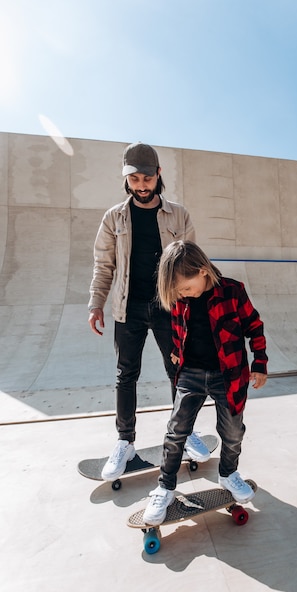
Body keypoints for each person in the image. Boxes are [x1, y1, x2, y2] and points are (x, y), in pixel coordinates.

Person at [88, 143, 210, 481]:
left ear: (159, 176)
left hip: (168, 307)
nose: (141, 186)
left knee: (180, 374)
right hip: (127, 308)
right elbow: (104, 264)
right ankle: (125, 442)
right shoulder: (114, 217)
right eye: (134, 180)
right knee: (126, 375)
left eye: (147, 178)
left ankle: (183, 435)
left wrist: (197, 306)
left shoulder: (179, 215)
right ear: (126, 180)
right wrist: (96, 303)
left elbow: (192, 264)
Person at [143, 240, 268, 525]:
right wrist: (177, 351)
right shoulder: (180, 300)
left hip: (229, 375)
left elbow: (254, 326)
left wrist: (260, 362)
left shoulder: (233, 292)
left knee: (232, 432)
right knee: (177, 431)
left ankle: (228, 474)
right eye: (177, 292)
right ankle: (165, 487)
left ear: (202, 272)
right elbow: (178, 328)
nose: (182, 295)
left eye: (185, 288)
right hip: (191, 374)